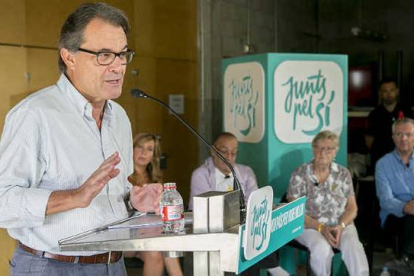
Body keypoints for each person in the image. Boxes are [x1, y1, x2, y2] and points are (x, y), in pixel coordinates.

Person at [0, 3, 162, 276]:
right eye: (104, 55)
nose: (118, 66)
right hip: (52, 266)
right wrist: (74, 197)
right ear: (70, 57)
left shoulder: (119, 116)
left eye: (123, 54)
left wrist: (133, 203)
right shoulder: (35, 115)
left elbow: (107, 199)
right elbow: (3, 203)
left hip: (114, 265)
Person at [189, 132, 287, 276]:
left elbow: (254, 201)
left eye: (234, 153)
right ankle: (273, 267)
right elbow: (204, 208)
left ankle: (271, 266)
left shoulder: (245, 172)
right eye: (224, 152)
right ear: (213, 150)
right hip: (214, 228)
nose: (229, 157)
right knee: (244, 241)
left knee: (254, 234)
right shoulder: (201, 174)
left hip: (243, 226)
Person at [287, 130, 369, 276]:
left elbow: (352, 208)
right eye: (319, 147)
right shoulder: (300, 173)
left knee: (354, 248)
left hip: (341, 224)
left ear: (336, 151)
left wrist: (340, 225)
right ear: (313, 149)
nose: (323, 152)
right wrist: (320, 227)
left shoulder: (343, 173)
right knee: (321, 249)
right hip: (308, 226)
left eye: (329, 148)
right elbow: (295, 212)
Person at [125, 133, 183, 276]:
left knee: (161, 251)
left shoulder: (155, 179)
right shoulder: (123, 175)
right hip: (126, 234)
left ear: (154, 155)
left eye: (149, 149)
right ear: (131, 149)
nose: (144, 153)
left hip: (150, 234)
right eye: (140, 147)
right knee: (159, 247)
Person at [376, 118, 414, 264]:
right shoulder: (383, 164)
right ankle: (407, 259)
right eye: (399, 134)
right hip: (394, 215)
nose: (404, 138)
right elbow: (385, 200)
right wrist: (405, 207)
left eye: (408, 134)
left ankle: (406, 259)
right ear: (393, 137)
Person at [365, 78, 413, 170]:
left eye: (391, 90)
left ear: (397, 91)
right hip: (381, 158)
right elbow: (369, 141)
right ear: (380, 93)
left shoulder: (407, 111)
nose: (389, 94)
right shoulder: (375, 114)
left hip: (405, 158)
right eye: (385, 91)